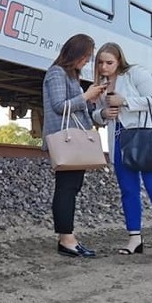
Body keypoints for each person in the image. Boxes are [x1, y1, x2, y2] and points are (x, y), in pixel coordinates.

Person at [92, 42, 152, 262]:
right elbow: (95, 114)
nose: (104, 67)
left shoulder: (136, 74)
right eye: (100, 63)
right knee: (128, 190)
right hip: (120, 141)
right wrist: (103, 113)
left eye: (109, 62)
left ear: (119, 60)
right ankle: (134, 238)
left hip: (147, 139)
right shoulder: (100, 85)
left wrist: (125, 102)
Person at [42, 33, 105, 258]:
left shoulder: (71, 76)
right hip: (65, 139)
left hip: (72, 138)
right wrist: (86, 96)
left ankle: (67, 238)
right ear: (75, 53)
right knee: (66, 189)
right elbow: (60, 106)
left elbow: (76, 108)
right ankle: (67, 239)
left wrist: (93, 102)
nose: (87, 61)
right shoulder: (56, 73)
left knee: (71, 188)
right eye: (86, 56)